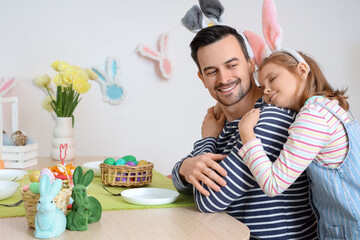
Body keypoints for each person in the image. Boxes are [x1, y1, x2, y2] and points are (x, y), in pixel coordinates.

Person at [172, 25, 318, 239]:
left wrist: (208, 139)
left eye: (232, 65)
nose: (223, 79)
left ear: (251, 65)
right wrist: (185, 168)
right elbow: (186, 185)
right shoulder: (225, 122)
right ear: (202, 78)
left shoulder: (269, 118)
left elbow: (208, 200)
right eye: (212, 71)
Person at [238, 50, 360, 239]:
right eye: (262, 87)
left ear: (302, 70)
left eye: (272, 78)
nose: (266, 90)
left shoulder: (312, 116)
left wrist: (246, 133)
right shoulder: (330, 106)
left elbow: (273, 184)